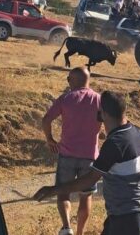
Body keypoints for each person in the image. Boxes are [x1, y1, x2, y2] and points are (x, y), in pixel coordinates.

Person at [35, 91, 140, 235]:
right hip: (130, 213)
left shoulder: (114, 144)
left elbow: (89, 180)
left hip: (126, 216)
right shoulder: (136, 133)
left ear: (103, 114)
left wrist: (53, 190)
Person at [41, 67, 102, 235]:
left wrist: (50, 139)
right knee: (86, 195)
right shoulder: (98, 99)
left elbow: (46, 120)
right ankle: (81, 232)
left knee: (63, 192)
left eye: (69, 79)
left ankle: (67, 228)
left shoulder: (65, 98)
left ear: (72, 80)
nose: (68, 82)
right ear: (88, 80)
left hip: (67, 154)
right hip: (90, 156)